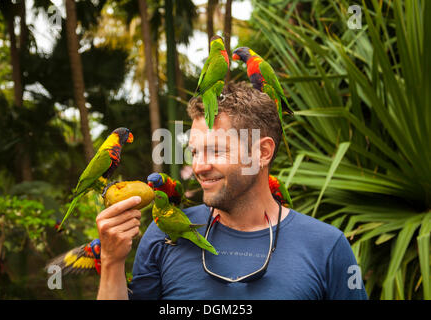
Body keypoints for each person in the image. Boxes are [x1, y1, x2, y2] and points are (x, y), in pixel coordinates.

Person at [96, 82, 368, 300]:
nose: (199, 167)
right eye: (194, 152)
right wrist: (111, 261)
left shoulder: (327, 247)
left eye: (216, 150)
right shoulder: (164, 233)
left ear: (262, 152)